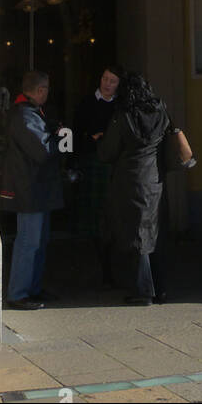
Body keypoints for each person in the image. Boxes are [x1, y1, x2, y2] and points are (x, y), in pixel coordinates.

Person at [97, 71, 172, 306]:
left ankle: (142, 291)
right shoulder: (161, 112)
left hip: (130, 181)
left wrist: (100, 140)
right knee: (154, 233)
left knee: (136, 235)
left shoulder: (123, 116)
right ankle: (160, 289)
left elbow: (108, 152)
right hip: (155, 180)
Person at [0, 70, 63, 311]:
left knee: (39, 240)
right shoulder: (25, 115)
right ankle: (18, 292)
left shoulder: (30, 113)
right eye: (45, 88)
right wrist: (56, 139)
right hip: (29, 189)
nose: (47, 92)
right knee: (28, 241)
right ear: (39, 91)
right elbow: (42, 150)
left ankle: (32, 288)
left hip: (35, 189)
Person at [72, 65, 121, 284]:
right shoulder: (86, 103)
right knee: (93, 218)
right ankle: (96, 264)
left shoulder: (121, 106)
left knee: (112, 216)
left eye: (112, 81)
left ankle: (112, 265)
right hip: (92, 161)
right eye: (104, 78)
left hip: (113, 165)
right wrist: (90, 140)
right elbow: (76, 131)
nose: (107, 84)